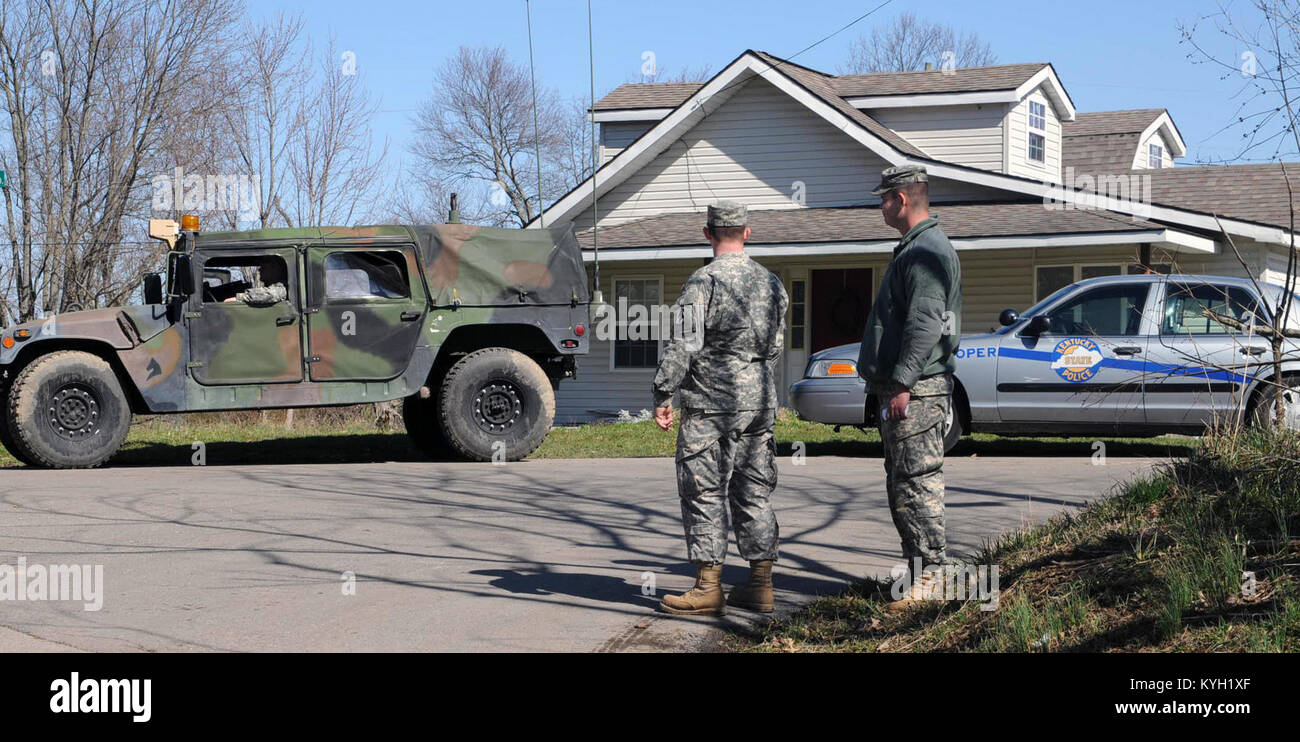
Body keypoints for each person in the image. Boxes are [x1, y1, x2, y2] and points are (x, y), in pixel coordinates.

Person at [652, 201, 789, 616]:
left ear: (707, 232)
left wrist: (663, 393)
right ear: (747, 233)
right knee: (754, 491)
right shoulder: (772, 283)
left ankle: (708, 586)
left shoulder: (703, 282)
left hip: (711, 403)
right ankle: (760, 585)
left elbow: (683, 345)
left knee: (704, 490)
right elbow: (777, 345)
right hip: (759, 401)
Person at [857, 164, 963, 611]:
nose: (880, 206)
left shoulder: (925, 252)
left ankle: (934, 578)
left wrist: (902, 381)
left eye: (883, 198)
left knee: (917, 484)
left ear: (901, 200)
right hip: (908, 389)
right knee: (904, 484)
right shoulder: (915, 248)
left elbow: (925, 324)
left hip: (917, 391)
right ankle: (921, 573)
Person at [224, 261, 288, 306]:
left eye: (264, 267)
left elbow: (269, 294)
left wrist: (240, 297)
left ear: (275, 270)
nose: (259, 270)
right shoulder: (271, 286)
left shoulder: (281, 287)